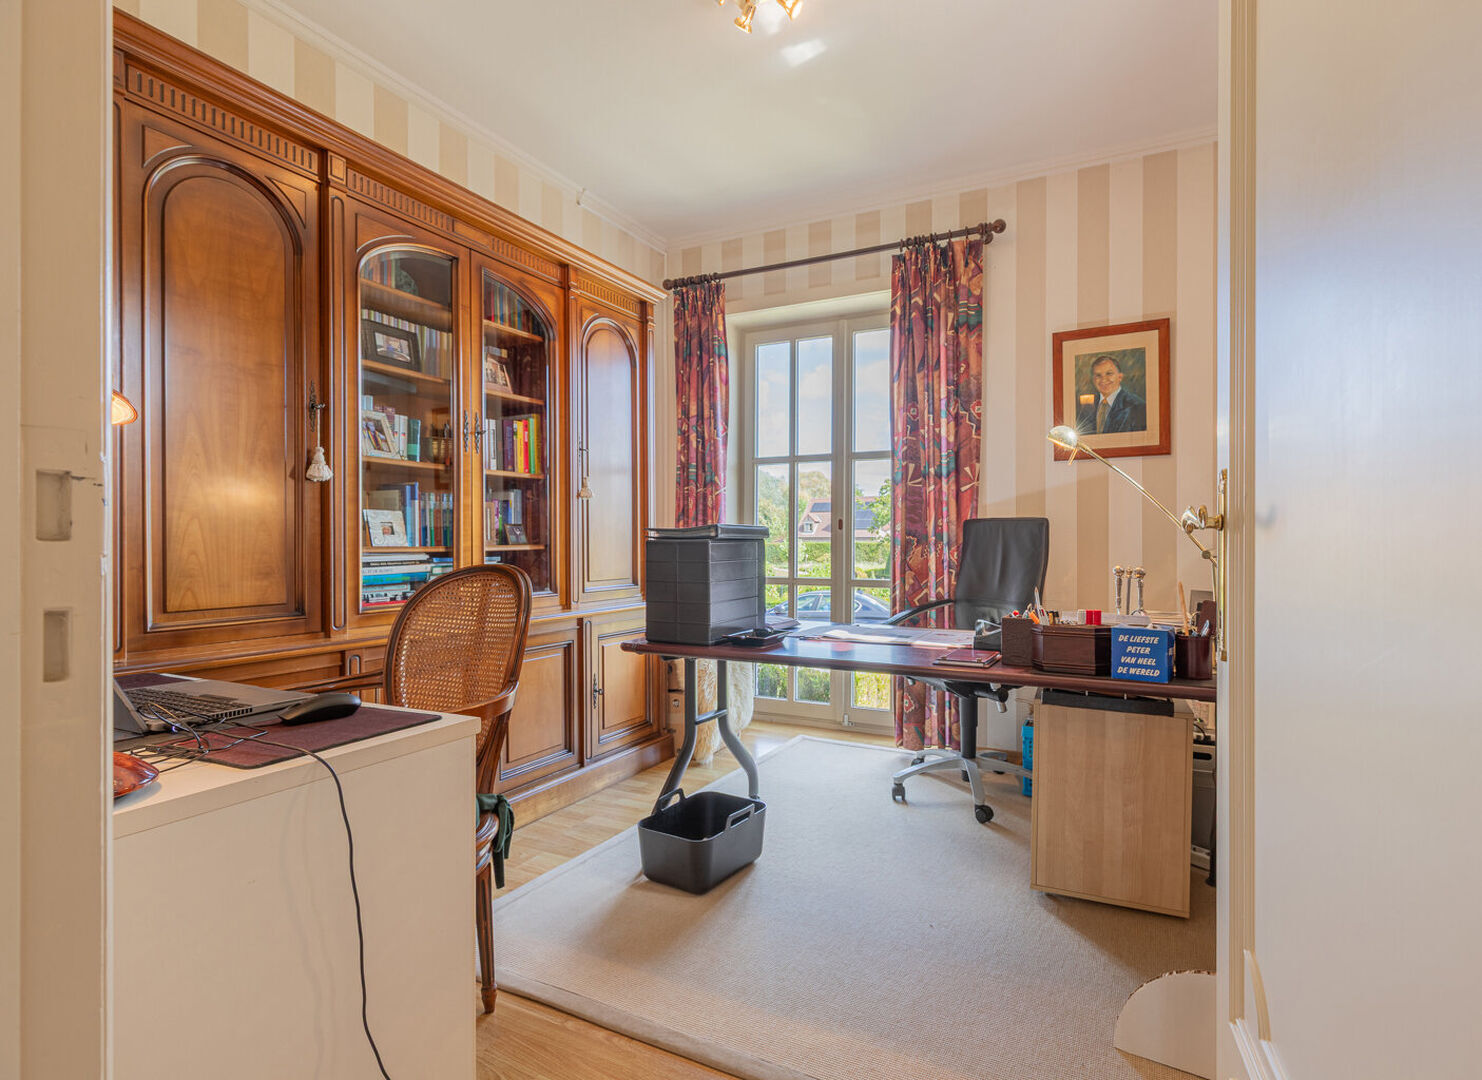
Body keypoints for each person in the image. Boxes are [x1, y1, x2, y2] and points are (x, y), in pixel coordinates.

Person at [1075, 354, 1146, 434]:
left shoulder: (1137, 407)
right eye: (1098, 375)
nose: (1103, 379)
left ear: (1120, 377)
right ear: (1093, 379)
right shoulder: (1085, 407)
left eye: (1109, 373)